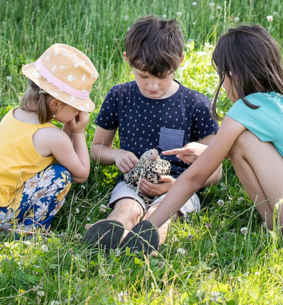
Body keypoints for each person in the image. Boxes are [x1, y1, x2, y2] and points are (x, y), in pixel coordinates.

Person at [122, 25, 283, 252]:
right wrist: (211, 153)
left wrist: (148, 225)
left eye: (221, 76)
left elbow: (195, 177)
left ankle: (277, 230)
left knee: (239, 141)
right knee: (236, 142)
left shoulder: (248, 108)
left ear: (233, 75)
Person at [83, 16, 222, 251]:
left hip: (180, 187)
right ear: (128, 61)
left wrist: (177, 185)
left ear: (179, 62)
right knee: (126, 209)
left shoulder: (195, 104)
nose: (153, 85)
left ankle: (144, 242)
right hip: (133, 182)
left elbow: (215, 168)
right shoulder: (120, 96)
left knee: (160, 216)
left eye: (162, 76)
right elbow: (97, 150)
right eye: (143, 76)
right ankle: (110, 232)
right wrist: (117, 155)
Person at [0, 44, 97, 234]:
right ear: (55, 104)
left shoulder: (14, 115)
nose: (79, 111)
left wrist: (68, 123)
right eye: (76, 106)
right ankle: (31, 231)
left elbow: (61, 151)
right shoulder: (53, 136)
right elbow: (81, 173)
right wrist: (78, 132)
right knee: (61, 175)